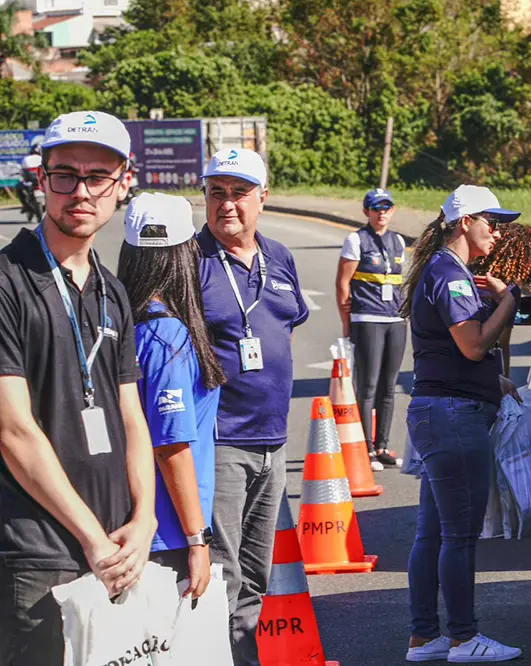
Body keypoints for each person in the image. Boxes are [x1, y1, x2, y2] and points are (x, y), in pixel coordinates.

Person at [0, 111, 156, 663]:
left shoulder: (113, 292)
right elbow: (14, 430)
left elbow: (131, 416)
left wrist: (145, 518)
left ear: (123, 183)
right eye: (65, 174)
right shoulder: (8, 281)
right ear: (41, 181)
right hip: (40, 555)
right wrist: (93, 539)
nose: (81, 192)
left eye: (98, 177)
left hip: (118, 547)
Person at [400, 184, 524, 663]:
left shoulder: (448, 272)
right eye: (490, 221)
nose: (496, 231)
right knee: (457, 537)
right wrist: (508, 302)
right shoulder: (450, 275)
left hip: (442, 412)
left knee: (432, 533)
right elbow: (473, 347)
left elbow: (461, 354)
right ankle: (462, 638)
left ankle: (424, 638)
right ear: (464, 221)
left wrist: (495, 382)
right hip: (452, 418)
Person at [198, 148, 309, 665]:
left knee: (255, 575)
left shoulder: (280, 257)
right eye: (216, 192)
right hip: (219, 441)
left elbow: (284, 325)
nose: (227, 204)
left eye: (239, 193)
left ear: (263, 197)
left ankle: (244, 657)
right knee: (219, 574)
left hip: (273, 441)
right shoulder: (190, 261)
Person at [118, 192, 227, 597]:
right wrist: (197, 539)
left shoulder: (127, 322)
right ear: (186, 253)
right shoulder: (167, 335)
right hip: (170, 532)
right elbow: (171, 445)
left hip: (139, 520)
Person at [336, 188, 407, 471]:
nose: (382, 213)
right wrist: (347, 323)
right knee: (368, 385)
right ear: (366, 211)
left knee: (389, 387)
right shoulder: (356, 240)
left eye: (386, 207)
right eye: (376, 208)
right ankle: (365, 449)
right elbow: (343, 284)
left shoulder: (398, 241)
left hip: (395, 319)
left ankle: (382, 446)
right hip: (367, 318)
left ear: (393, 210)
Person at [470, 222, 531, 377]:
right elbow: (501, 343)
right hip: (480, 372)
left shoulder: (463, 273)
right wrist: (505, 380)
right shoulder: (508, 291)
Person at [15, 144, 42, 215]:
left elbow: (22, 170)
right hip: (41, 182)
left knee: (18, 187)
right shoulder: (42, 158)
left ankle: (25, 205)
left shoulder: (26, 159)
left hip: (30, 182)